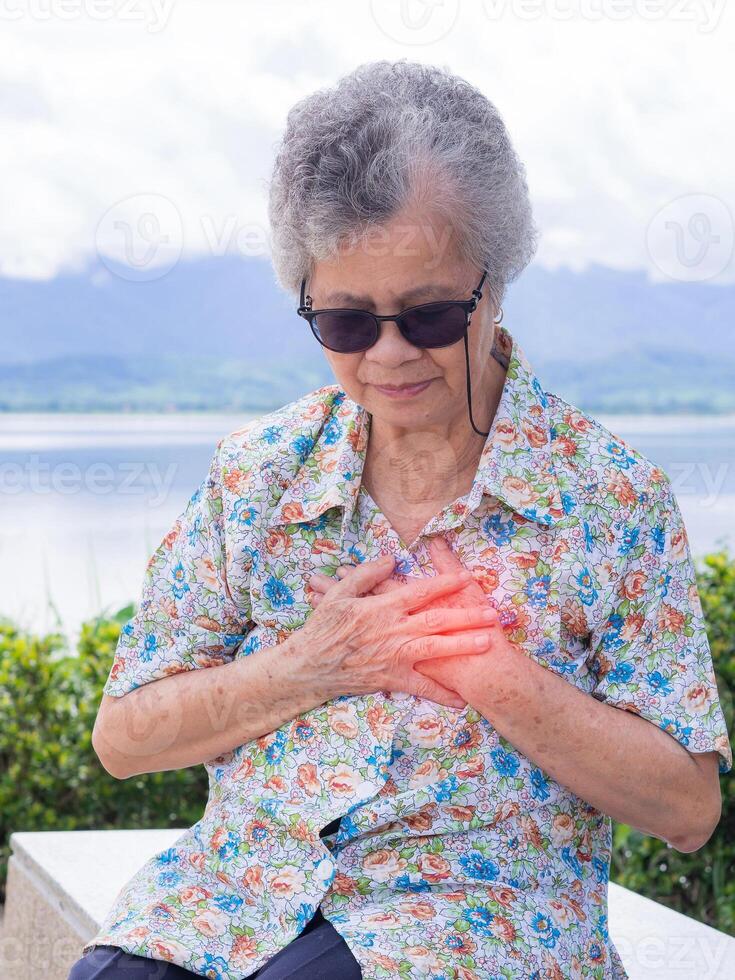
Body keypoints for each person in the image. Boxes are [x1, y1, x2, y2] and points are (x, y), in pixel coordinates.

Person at [69, 59, 731, 979]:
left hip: (471, 928)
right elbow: (125, 739)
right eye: (344, 322)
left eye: (426, 315)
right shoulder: (256, 476)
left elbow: (687, 808)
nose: (385, 355)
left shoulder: (609, 501)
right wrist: (308, 665)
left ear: (493, 283)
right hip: (228, 904)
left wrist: (493, 675)